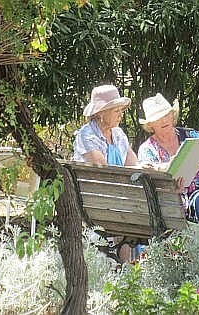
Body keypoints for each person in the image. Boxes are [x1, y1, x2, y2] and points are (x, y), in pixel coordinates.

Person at [137, 93, 199, 228]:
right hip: (168, 199)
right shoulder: (147, 149)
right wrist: (172, 186)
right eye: (158, 118)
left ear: (172, 116)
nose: (163, 120)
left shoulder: (191, 136)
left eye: (166, 115)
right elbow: (150, 185)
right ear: (150, 125)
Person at [73, 84, 137, 261]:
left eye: (120, 110)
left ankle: (125, 269)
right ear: (101, 112)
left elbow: (133, 164)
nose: (120, 114)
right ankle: (124, 267)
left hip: (119, 194)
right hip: (96, 197)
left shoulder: (118, 134)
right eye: (116, 110)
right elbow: (103, 170)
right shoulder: (86, 135)